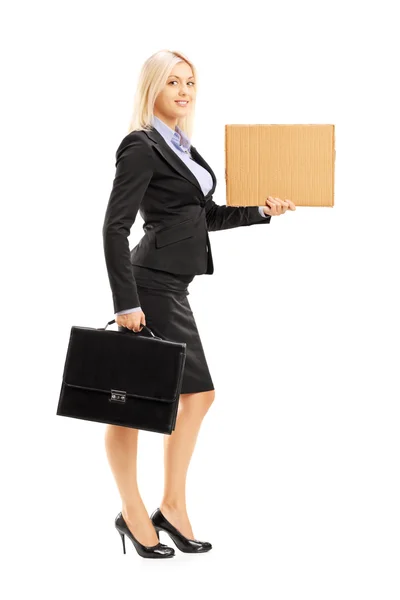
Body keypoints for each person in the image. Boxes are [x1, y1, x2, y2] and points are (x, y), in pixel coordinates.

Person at [102, 49, 296, 559]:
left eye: (190, 82)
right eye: (173, 82)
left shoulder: (182, 147)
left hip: (172, 287)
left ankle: (169, 507)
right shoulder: (141, 146)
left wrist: (260, 210)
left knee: (186, 398)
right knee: (134, 405)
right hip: (149, 288)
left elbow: (201, 215)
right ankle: (137, 511)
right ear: (153, 88)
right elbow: (114, 228)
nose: (184, 91)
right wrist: (125, 301)